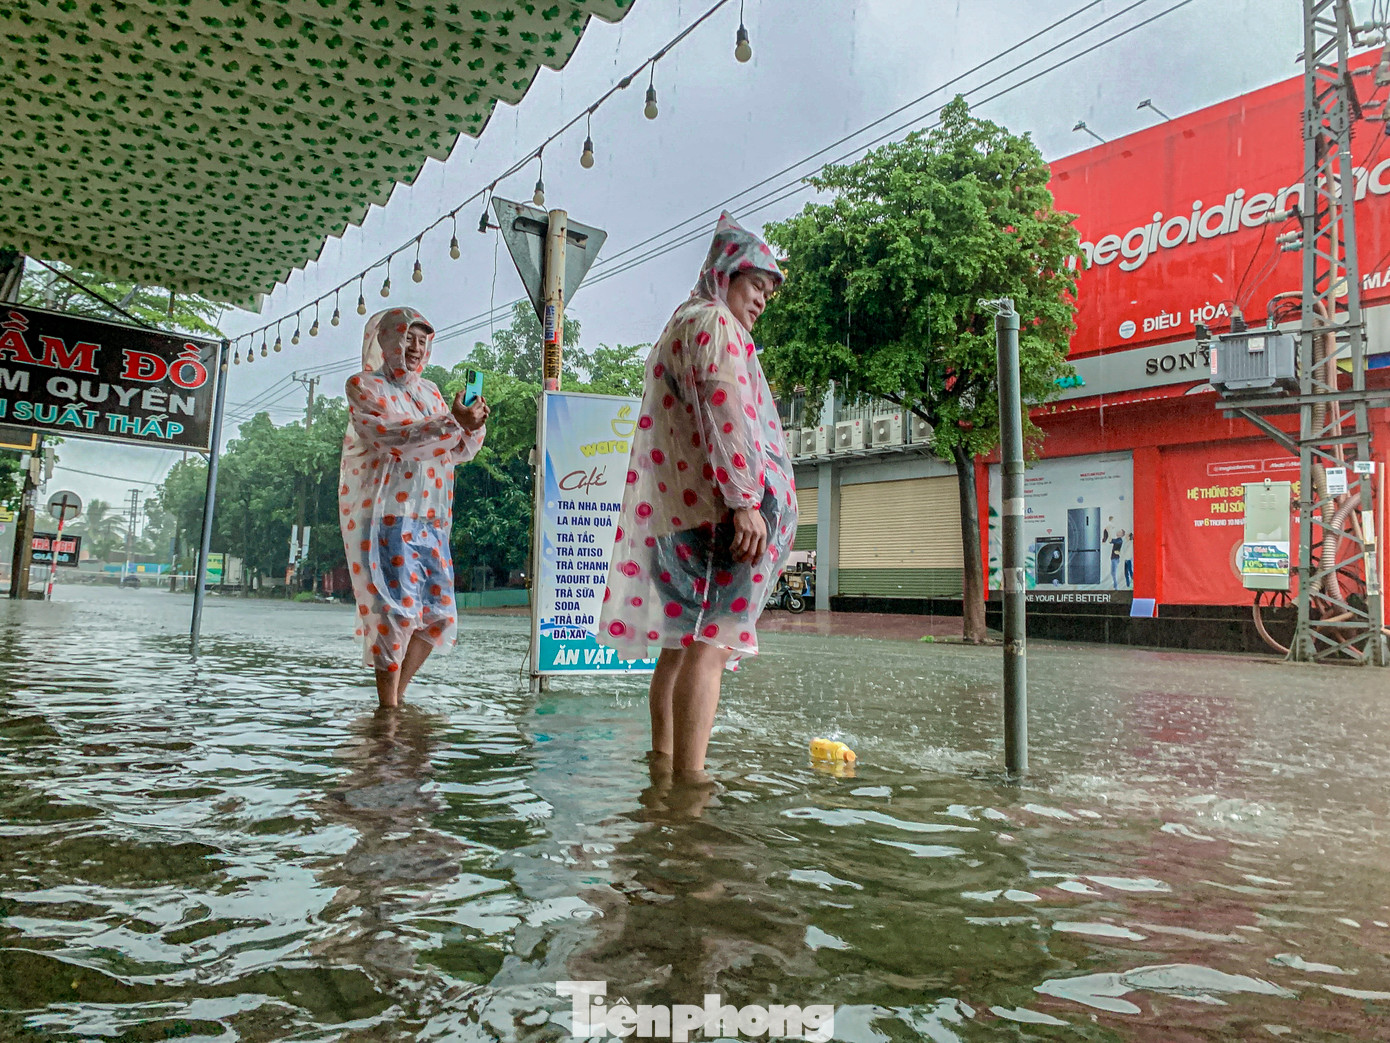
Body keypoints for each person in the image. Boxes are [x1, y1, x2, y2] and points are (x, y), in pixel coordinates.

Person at [597, 213, 797, 778]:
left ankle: (663, 766)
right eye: (756, 284)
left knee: (680, 645)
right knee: (707, 648)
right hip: (717, 519)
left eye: (767, 291)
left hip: (677, 517)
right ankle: (690, 784)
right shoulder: (715, 324)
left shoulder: (678, 325)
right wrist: (744, 501)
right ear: (728, 272)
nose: (762, 299)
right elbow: (725, 411)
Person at [339, 307, 488, 709]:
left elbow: (455, 451)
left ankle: (395, 702)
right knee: (396, 612)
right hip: (386, 516)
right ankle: (387, 709)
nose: (416, 348)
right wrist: (451, 423)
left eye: (423, 341)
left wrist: (470, 425)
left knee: (438, 614)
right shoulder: (363, 386)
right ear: (386, 341)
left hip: (431, 518)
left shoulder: (431, 392)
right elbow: (394, 437)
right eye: (408, 338)